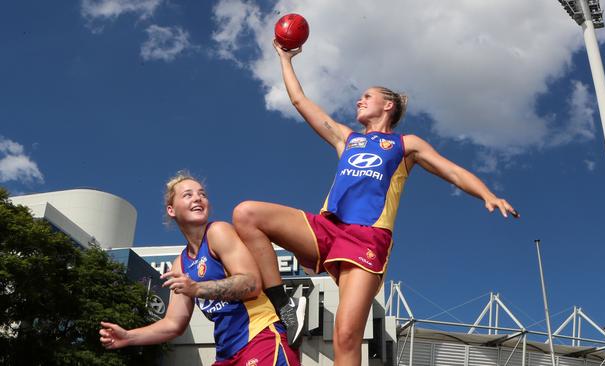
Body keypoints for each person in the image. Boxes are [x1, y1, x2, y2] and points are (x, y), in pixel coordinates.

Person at [232, 41, 519, 366]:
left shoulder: (406, 144)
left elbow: (450, 169)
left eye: (367, 96)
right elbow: (300, 101)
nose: (360, 100)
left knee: (346, 335)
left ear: (388, 106)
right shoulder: (346, 139)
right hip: (327, 228)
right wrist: (285, 59)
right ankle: (282, 304)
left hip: (367, 239)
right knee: (246, 214)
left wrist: (487, 194)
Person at [99, 172, 300, 366]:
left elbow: (251, 283)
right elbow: (173, 324)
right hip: (227, 354)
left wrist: (197, 289)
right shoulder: (180, 264)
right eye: (188, 195)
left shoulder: (218, 232)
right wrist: (129, 336)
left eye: (202, 194)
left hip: (261, 338)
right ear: (171, 210)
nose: (198, 198)